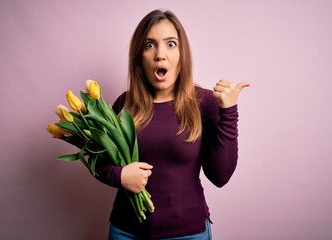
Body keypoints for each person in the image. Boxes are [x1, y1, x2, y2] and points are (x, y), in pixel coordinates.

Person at [96, 9, 249, 240]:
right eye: (149, 45)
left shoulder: (203, 102)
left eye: (170, 44)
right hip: (126, 232)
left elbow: (220, 176)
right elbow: (97, 161)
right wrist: (120, 176)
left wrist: (228, 112)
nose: (160, 54)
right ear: (139, 56)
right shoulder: (124, 105)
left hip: (188, 233)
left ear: (182, 54)